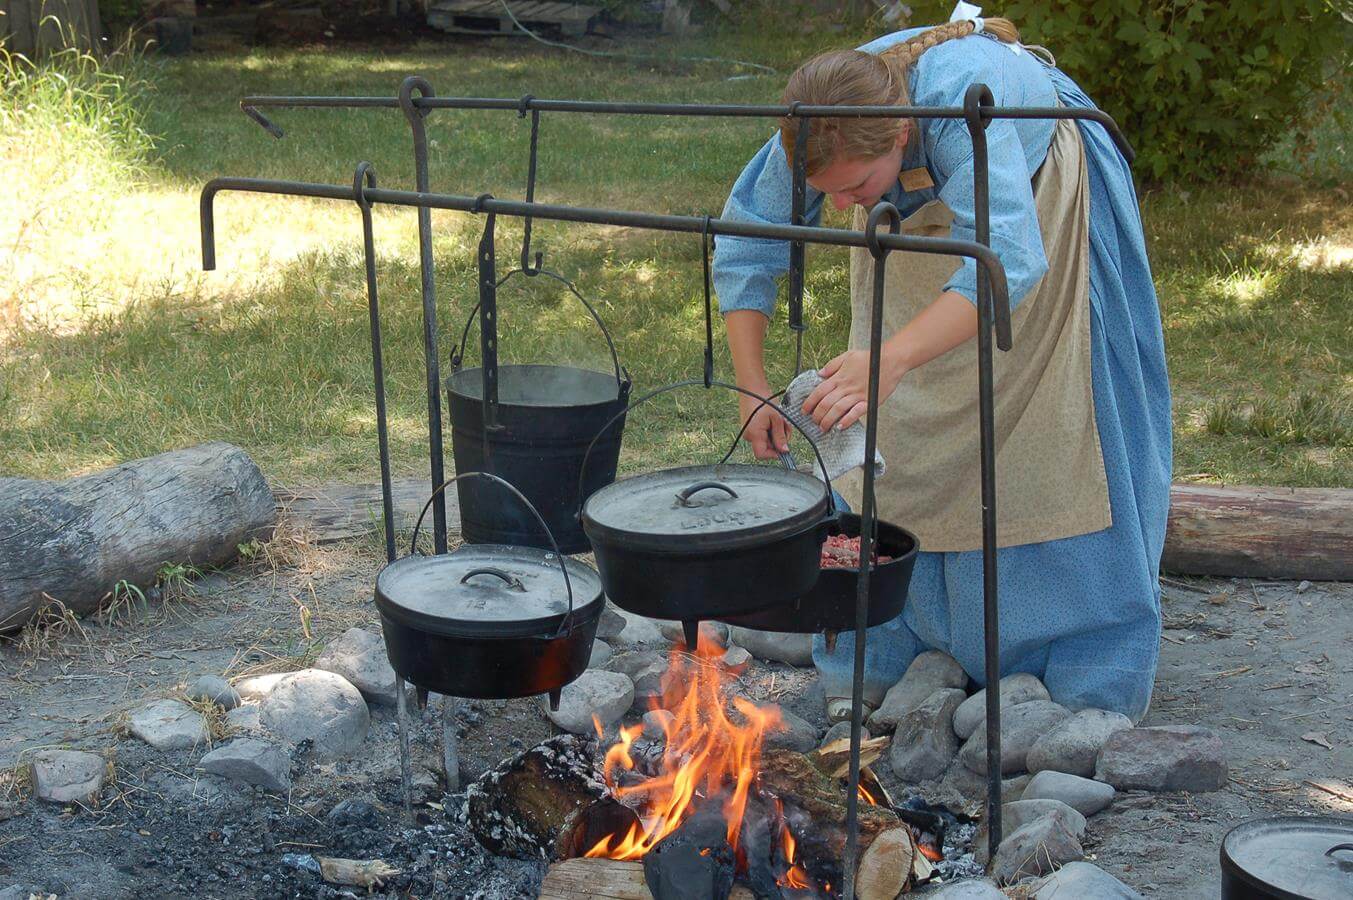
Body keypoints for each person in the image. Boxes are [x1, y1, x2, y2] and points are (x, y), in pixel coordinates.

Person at [712, 11, 1171, 725]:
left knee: (1040, 417)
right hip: (929, 193)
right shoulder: (827, 119)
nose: (837, 207)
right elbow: (747, 242)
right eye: (827, 192)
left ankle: (1072, 666)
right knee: (906, 418)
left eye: (852, 186)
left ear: (900, 134)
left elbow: (1009, 262)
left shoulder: (957, 109)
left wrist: (889, 359)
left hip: (1035, 185)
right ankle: (904, 644)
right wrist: (750, 387)